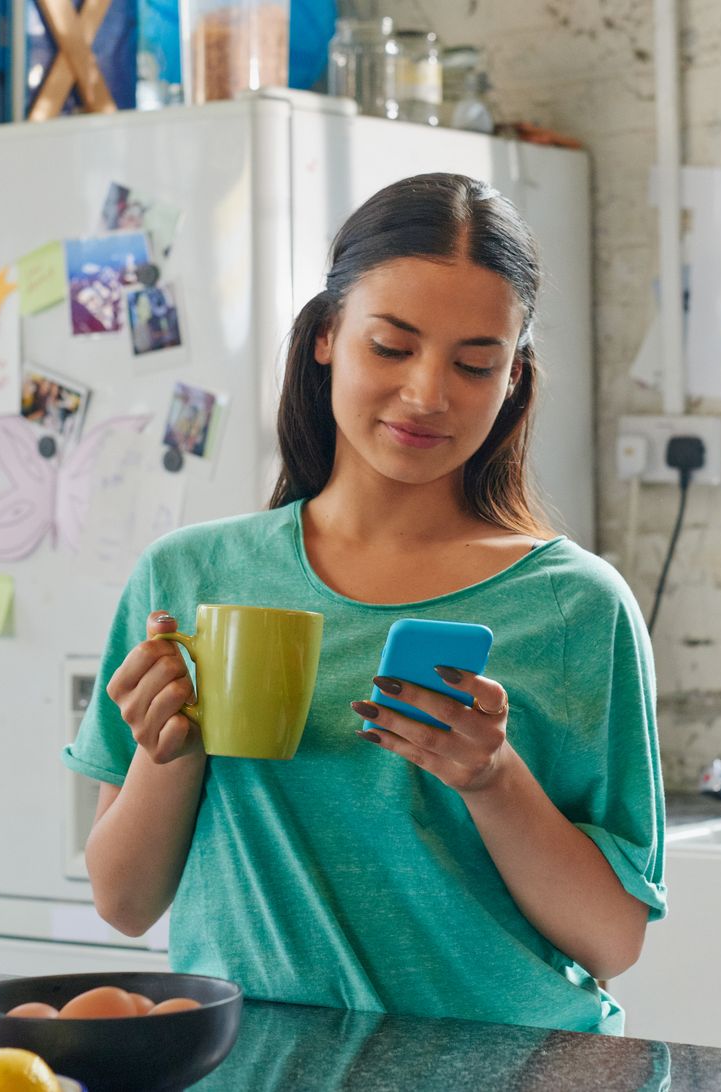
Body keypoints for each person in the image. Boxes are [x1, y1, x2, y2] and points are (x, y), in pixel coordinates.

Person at [64, 173, 665, 1035]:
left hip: (507, 1068)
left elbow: (612, 942)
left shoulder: (575, 607)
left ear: (513, 380)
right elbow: (123, 902)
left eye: (474, 364)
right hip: (256, 1066)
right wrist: (170, 748)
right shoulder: (191, 579)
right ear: (326, 337)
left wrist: (491, 779)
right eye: (391, 347)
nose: (428, 395)